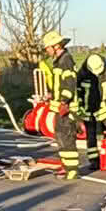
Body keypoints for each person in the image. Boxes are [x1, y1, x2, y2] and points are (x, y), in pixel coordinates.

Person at [36, 31, 82, 179]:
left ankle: (72, 170)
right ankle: (66, 166)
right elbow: (59, 84)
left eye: (48, 47)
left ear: (56, 46)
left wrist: (64, 101)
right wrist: (52, 95)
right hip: (60, 107)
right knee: (61, 137)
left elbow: (70, 83)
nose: (47, 50)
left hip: (66, 109)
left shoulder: (65, 60)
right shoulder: (59, 60)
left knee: (67, 139)